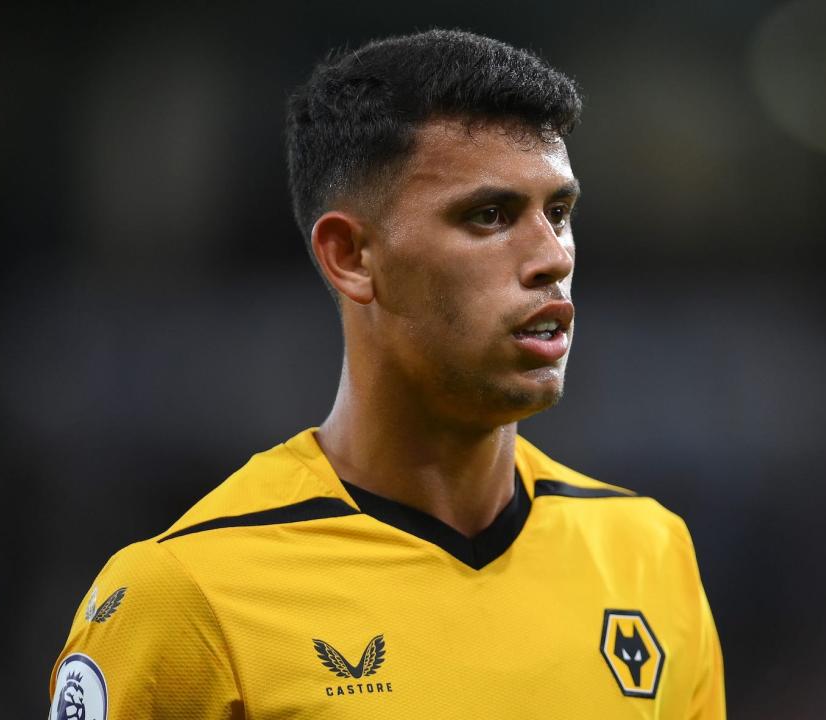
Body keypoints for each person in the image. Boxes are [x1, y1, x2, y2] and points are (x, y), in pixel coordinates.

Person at [48, 29, 725, 719]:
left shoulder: (649, 556)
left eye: (559, 213)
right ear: (350, 256)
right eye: (489, 216)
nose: (551, 256)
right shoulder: (188, 596)